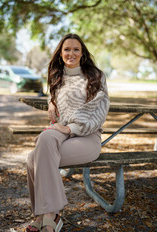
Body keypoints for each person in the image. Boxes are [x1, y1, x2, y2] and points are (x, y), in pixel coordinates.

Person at [26, 33, 110, 232]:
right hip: (60, 133)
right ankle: (49, 215)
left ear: (82, 53)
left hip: (87, 136)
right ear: (60, 53)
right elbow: (57, 100)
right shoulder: (57, 77)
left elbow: (98, 112)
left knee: (33, 158)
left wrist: (71, 128)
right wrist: (51, 103)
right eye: (67, 49)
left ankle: (45, 215)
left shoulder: (96, 76)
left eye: (75, 49)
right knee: (37, 151)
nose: (71, 53)